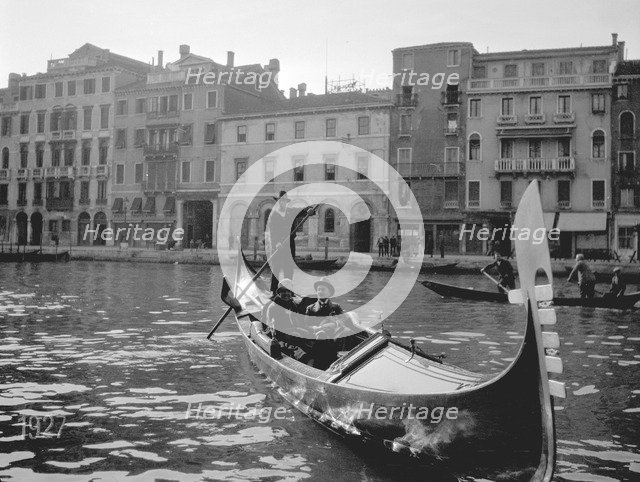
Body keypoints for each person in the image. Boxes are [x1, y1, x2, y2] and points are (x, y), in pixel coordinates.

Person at [305, 277, 346, 369]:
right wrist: (317, 328)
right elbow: (306, 326)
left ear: (329, 292)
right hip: (316, 337)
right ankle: (317, 365)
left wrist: (333, 324)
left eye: (323, 289)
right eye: (318, 290)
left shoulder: (336, 307)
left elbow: (342, 321)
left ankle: (339, 363)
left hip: (333, 337)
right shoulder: (310, 308)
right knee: (321, 336)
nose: (320, 292)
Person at [266, 191, 299, 294]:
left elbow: (302, 211)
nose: (282, 203)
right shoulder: (274, 215)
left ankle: (289, 292)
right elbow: (272, 231)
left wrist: (310, 210)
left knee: (288, 269)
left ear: (286, 202)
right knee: (276, 268)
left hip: (289, 245)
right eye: (280, 201)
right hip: (278, 246)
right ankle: (273, 291)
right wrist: (276, 242)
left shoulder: (290, 212)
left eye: (284, 201)